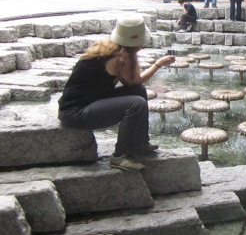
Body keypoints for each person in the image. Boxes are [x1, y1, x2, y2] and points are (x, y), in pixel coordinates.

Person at [58, 14, 175, 172]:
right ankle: (120, 156)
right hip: (75, 112)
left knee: (138, 92)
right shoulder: (118, 58)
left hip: (90, 101)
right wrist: (158, 64)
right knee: (136, 103)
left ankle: (141, 142)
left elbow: (134, 85)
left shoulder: (112, 48)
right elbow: (136, 79)